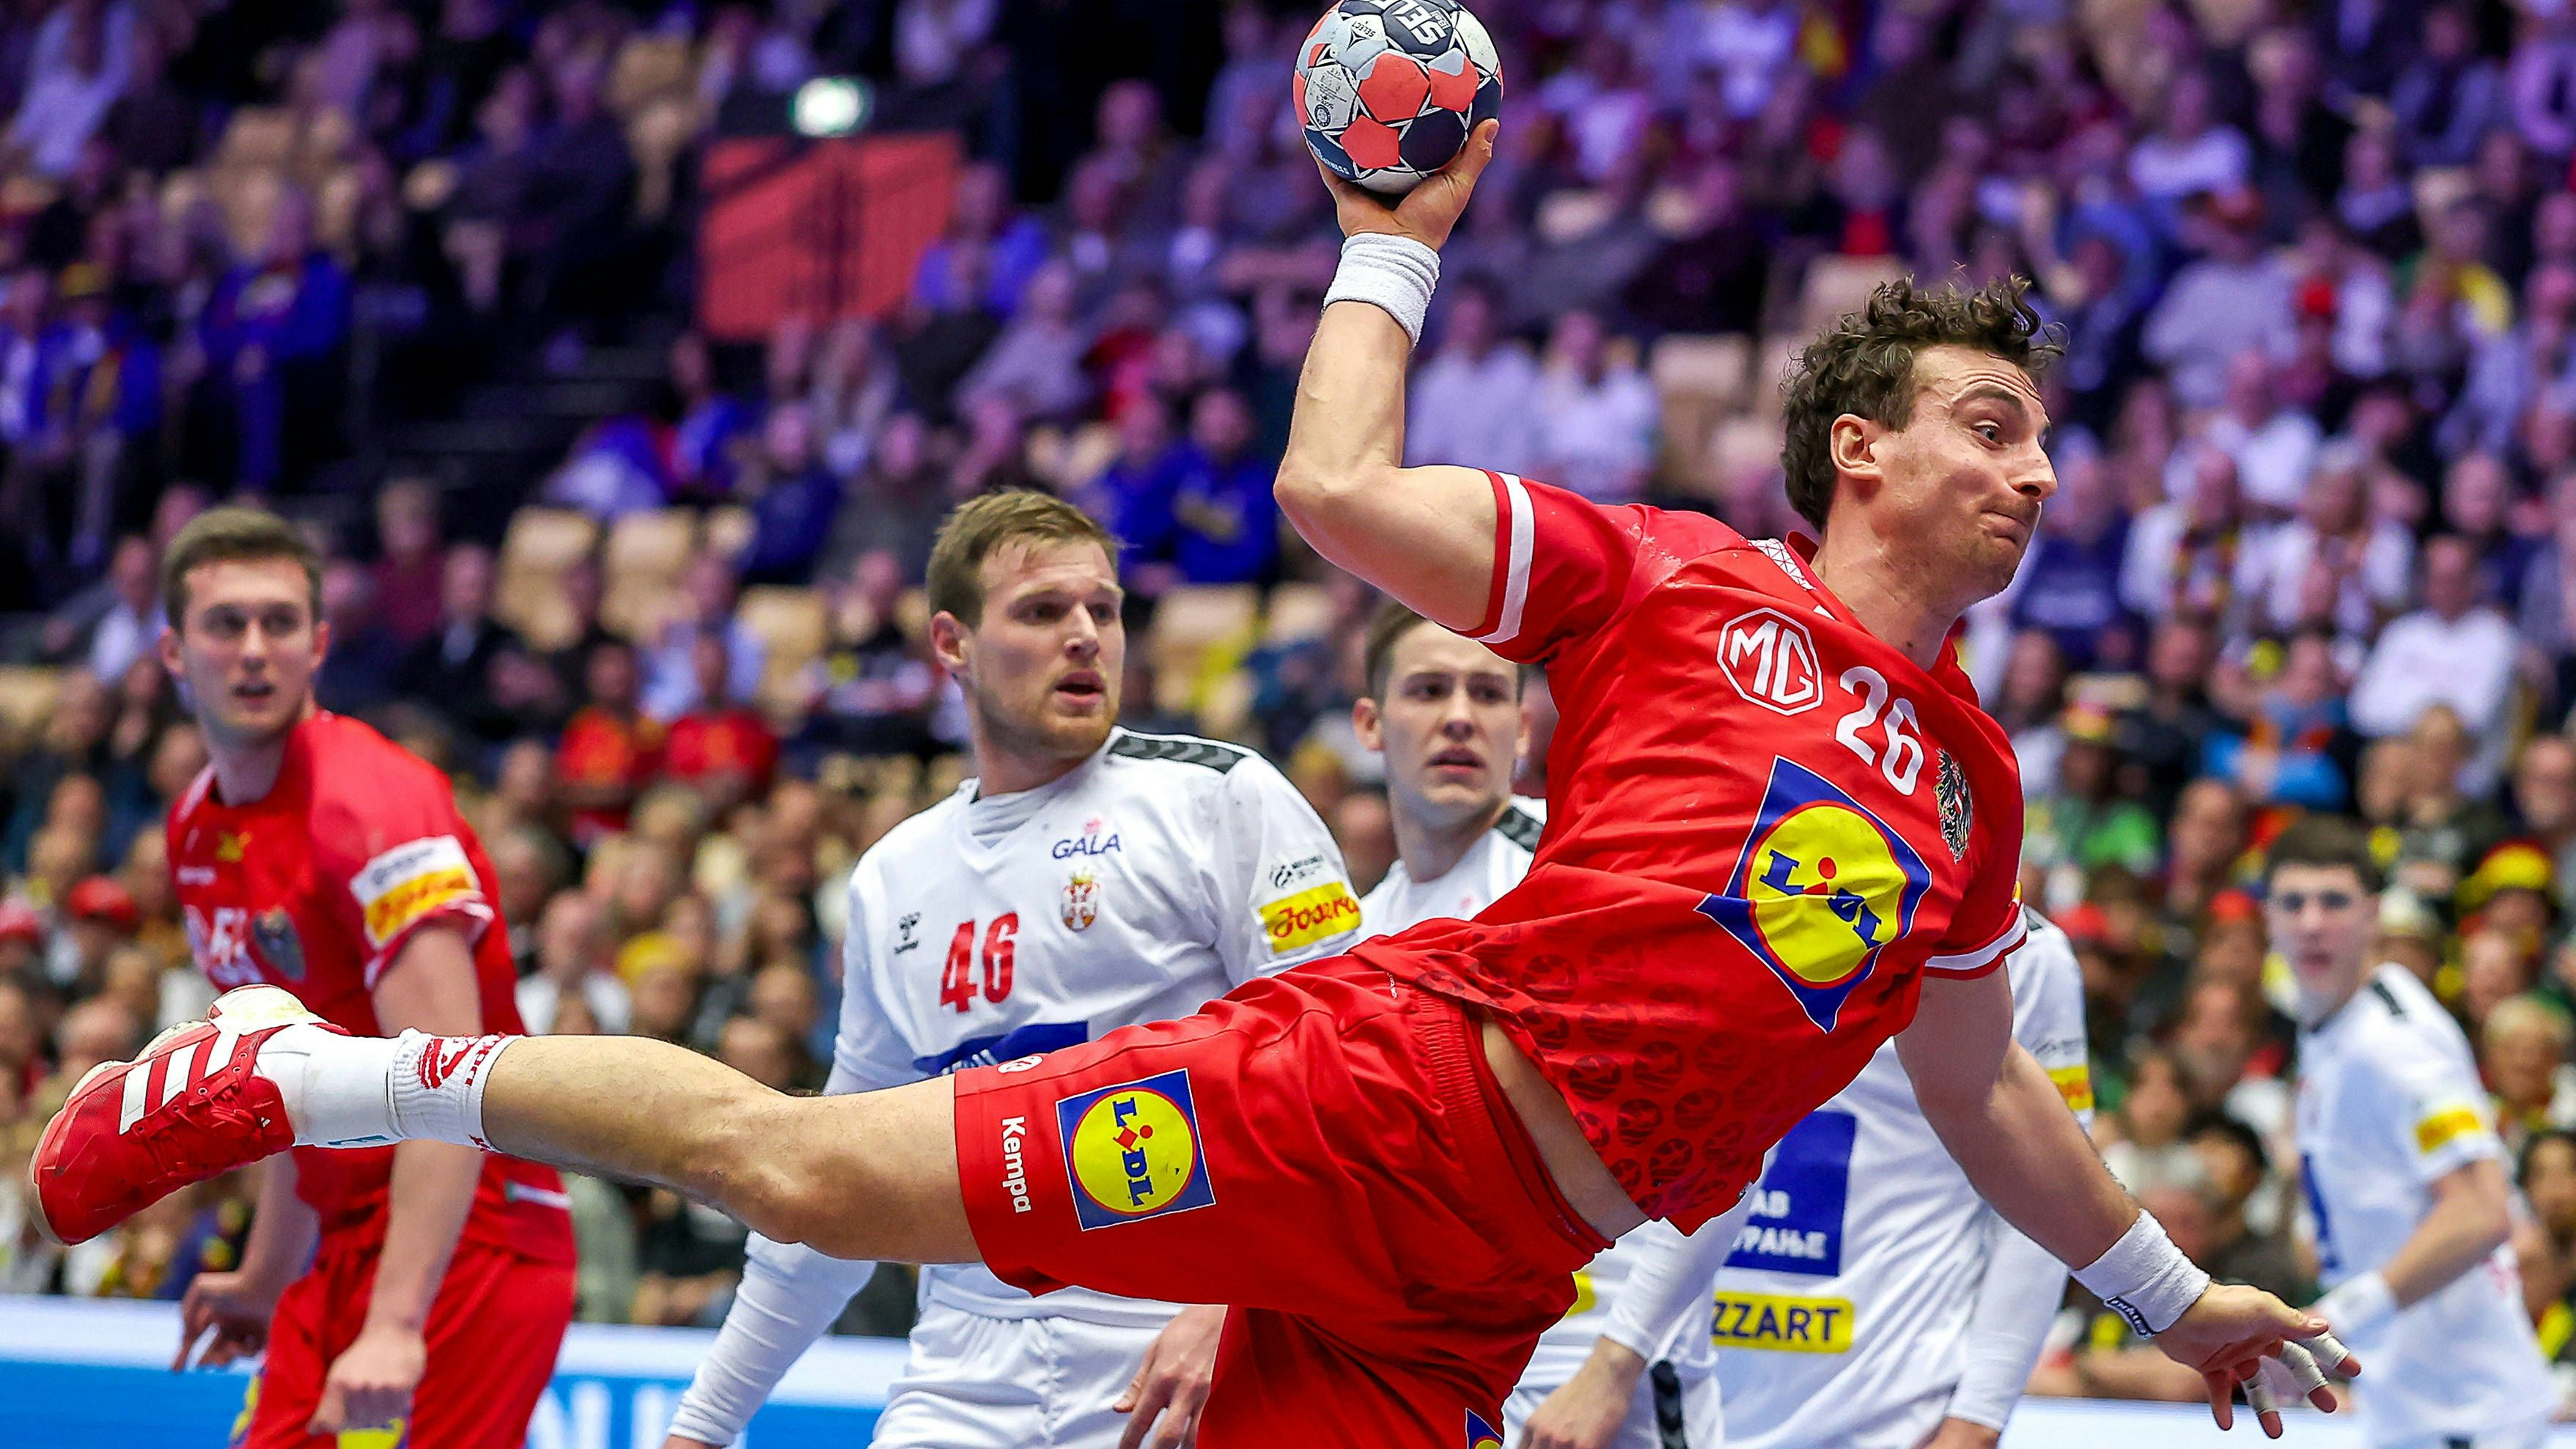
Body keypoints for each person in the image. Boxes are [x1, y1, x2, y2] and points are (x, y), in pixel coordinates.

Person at [34, 125, 2350, 1447]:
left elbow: (1985, 1094)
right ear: (1862, 450)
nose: (2035, 469)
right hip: (1386, 1094)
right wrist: (1391, 238)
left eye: (2041, 439)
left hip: (1489, 1269)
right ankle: (308, 1059)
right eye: (1989, 425)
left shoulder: (1973, 780)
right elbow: (1331, 483)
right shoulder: (1672, 575)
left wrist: (2170, 1295)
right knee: (800, 1167)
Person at [660, 490, 1364, 1449]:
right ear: (950, 643)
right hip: (961, 1363)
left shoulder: (1216, 796)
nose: (1085, 636)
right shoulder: (894, 876)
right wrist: (702, 1426)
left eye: (1103, 611)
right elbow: (834, 1189)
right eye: (1041, 611)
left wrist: (1239, 1304)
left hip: (1175, 1338)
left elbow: (1352, 1073)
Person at [147, 507, 578, 1446]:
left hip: (472, 1240)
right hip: (341, 1244)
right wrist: (265, 1278)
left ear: (320, 644)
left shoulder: (373, 807)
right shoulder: (193, 831)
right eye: (227, 625)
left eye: (281, 623)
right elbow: (305, 1084)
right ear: (175, 652)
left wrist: (392, 1323)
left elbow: (449, 1082)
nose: (255, 650)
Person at [1344, 599, 1722, 1448]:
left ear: (1521, 728)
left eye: (1484, 695)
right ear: (1369, 724)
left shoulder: (1585, 880)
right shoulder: (1363, 930)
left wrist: (1613, 1369)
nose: (1456, 718)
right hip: (1445, 1376)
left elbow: (1736, 1143)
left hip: (1594, 1383)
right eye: (1428, 690)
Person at [1515, 910, 2086, 1449]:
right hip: (1687, 1393)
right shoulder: (1729, 899)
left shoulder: (2028, 954)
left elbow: (2048, 1197)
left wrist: (1978, 1419)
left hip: (1885, 1413)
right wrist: (1617, 1361)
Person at [2268, 814, 2555, 1448]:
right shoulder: (2337, 1019)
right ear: (2269, 916)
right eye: (2293, 902)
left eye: (2334, 901)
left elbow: (2483, 1211)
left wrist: (2338, 1317)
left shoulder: (2395, 1046)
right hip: (2409, 1402)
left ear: (2375, 913)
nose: (2312, 921)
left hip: (2469, 1414)